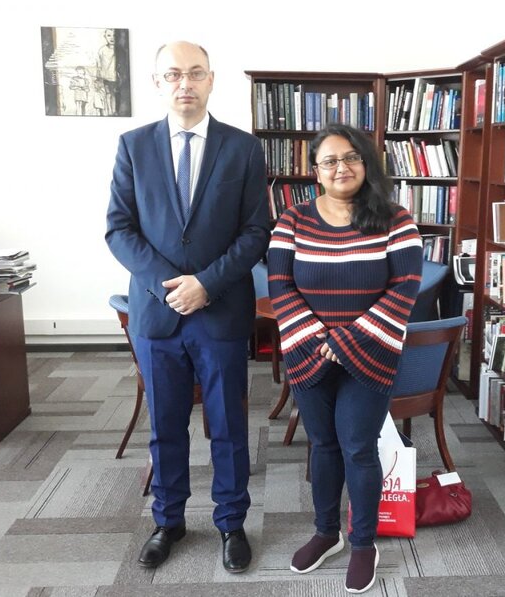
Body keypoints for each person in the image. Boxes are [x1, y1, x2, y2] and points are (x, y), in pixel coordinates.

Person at [106, 41, 269, 572]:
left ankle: (230, 522)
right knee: (166, 425)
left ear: (211, 80)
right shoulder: (133, 147)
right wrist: (169, 287)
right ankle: (168, 519)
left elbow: (255, 232)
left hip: (220, 313)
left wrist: (206, 284)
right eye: (173, 74)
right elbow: (120, 229)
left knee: (227, 425)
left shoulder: (242, 149)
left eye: (195, 73)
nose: (185, 83)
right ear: (157, 83)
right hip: (156, 316)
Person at [267, 123, 423, 593]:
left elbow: (404, 290)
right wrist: (319, 339)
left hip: (370, 355)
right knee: (322, 444)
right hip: (307, 352)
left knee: (358, 446)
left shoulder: (397, 220)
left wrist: (348, 341)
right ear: (315, 171)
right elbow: (281, 288)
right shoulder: (291, 221)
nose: (341, 167)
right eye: (330, 160)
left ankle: (362, 543)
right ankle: (325, 532)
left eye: (351, 157)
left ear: (366, 163)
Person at [95, 28, 117, 115]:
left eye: (114, 35)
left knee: (114, 94)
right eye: (109, 35)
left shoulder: (118, 50)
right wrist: (98, 77)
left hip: (116, 76)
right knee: (108, 94)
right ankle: (109, 112)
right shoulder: (102, 50)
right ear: (105, 37)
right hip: (106, 77)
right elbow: (98, 65)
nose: (112, 38)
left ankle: (115, 111)